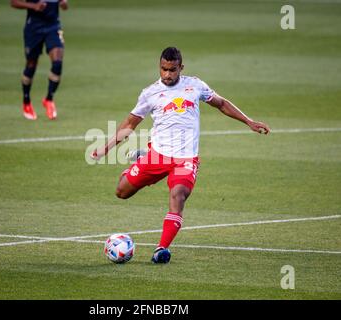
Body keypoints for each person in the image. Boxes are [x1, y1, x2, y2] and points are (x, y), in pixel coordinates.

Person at [91, 47, 270, 264]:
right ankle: (141, 158)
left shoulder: (194, 85)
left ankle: (161, 249)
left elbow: (221, 104)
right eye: (164, 69)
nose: (167, 74)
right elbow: (130, 123)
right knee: (121, 192)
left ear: (181, 68)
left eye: (172, 70)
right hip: (157, 156)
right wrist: (107, 147)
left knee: (178, 196)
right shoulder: (150, 93)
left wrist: (248, 121)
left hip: (186, 159)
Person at [10, 0, 68, 120]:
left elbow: (64, 5)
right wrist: (34, 6)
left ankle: (49, 99)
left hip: (53, 27)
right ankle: (26, 101)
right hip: (33, 28)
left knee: (57, 63)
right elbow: (14, 2)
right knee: (31, 65)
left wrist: (63, 4)